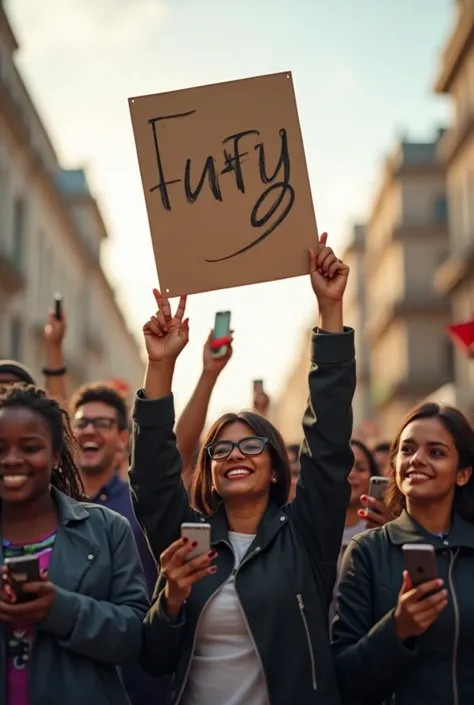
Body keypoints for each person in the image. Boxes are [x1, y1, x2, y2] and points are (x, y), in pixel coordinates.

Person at [129, 233, 356, 705]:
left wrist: (330, 312)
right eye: (221, 450)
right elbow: (151, 477)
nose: (234, 455)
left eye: (252, 445)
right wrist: (161, 366)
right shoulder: (187, 541)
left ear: (276, 468)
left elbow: (329, 440)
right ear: (208, 473)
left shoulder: (305, 535)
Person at [0, 384, 149, 705]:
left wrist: (59, 609)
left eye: (29, 447)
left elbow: (135, 635)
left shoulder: (107, 529)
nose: (12, 459)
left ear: (56, 456)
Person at [332, 402, 474, 705]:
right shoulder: (366, 552)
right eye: (407, 450)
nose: (417, 460)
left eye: (435, 452)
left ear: (462, 474)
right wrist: (397, 628)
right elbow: (344, 675)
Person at [69, 382, 167, 705]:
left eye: (103, 423)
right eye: (82, 422)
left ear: (123, 439)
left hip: (137, 682)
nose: (90, 431)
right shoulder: (46, 508)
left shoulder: (141, 505)